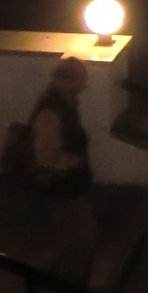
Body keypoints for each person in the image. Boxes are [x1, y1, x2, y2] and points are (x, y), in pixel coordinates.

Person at [27, 57, 97, 279]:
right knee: (81, 237)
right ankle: (68, 283)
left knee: (69, 238)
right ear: (64, 81)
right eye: (80, 81)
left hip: (65, 186)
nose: (84, 86)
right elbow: (47, 156)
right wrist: (74, 162)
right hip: (62, 188)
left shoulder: (62, 105)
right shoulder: (51, 113)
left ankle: (58, 280)